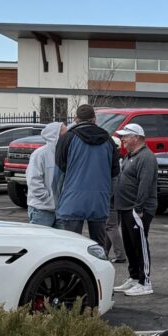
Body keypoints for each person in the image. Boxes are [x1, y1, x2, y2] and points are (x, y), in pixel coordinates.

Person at [53, 103, 118, 248]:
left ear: (76, 119)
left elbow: (58, 176)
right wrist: (106, 197)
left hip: (72, 201)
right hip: (99, 200)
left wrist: (59, 201)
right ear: (94, 119)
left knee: (71, 245)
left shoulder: (67, 139)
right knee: (99, 245)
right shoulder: (108, 140)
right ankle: (99, 269)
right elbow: (115, 176)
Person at [113, 123, 159, 297]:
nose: (123, 139)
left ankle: (145, 282)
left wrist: (138, 208)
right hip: (126, 208)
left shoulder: (146, 157)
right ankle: (134, 277)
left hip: (138, 209)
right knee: (130, 245)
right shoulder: (130, 155)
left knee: (139, 244)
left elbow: (145, 185)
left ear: (136, 137)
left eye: (126, 136)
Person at [25, 121, 65, 226]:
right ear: (55, 135)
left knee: (60, 242)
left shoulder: (65, 154)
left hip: (60, 210)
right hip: (41, 210)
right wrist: (46, 197)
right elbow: (33, 179)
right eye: (64, 134)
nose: (68, 136)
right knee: (41, 241)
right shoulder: (40, 154)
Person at [104, 135, 126, 262]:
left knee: (111, 225)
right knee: (111, 225)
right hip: (118, 196)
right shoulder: (121, 160)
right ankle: (105, 251)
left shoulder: (112, 162)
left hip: (112, 196)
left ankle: (120, 255)